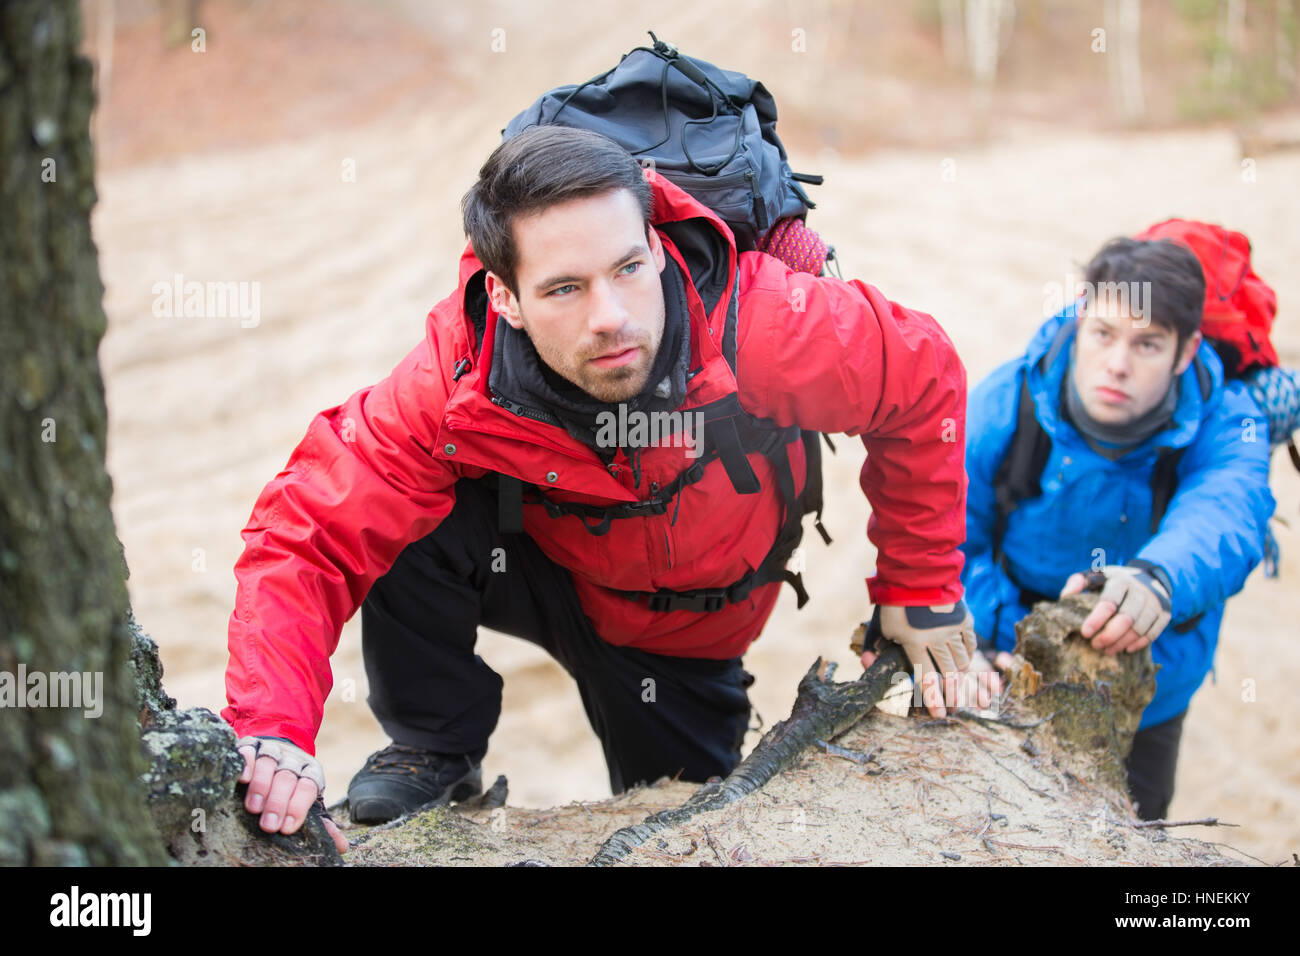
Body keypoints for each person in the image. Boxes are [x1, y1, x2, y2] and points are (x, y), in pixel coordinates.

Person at [223, 125, 980, 853]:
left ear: (655, 244)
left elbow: (920, 376)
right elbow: (308, 528)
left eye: (627, 268)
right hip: (545, 565)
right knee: (405, 514)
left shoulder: (762, 323)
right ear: (507, 299)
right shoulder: (460, 373)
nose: (611, 318)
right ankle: (433, 743)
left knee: (686, 826)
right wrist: (271, 728)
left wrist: (920, 589)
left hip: (679, 635)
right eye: (563, 289)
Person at [960, 236, 1276, 821]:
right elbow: (948, 535)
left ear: (1187, 351)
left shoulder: (1229, 420)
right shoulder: (1009, 401)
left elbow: (1230, 510)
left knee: (1134, 838)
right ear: (1081, 320)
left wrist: (1160, 579)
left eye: (1148, 344)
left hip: (1150, 688)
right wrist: (982, 636)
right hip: (1003, 669)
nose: (1117, 364)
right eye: (1103, 334)